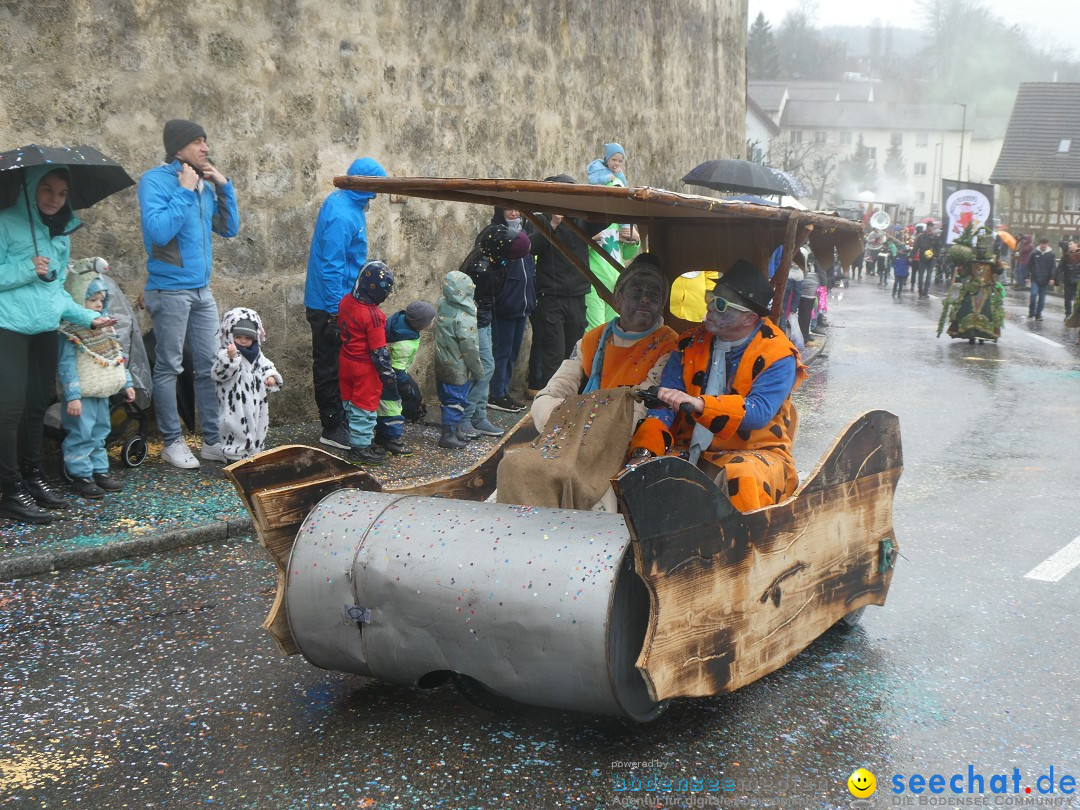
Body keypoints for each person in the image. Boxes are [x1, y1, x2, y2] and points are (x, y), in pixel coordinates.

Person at [499, 254, 679, 510]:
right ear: (618, 298)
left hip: (628, 436)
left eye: (654, 294)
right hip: (577, 431)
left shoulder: (669, 345)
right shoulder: (593, 339)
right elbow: (558, 386)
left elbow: (645, 402)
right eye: (636, 291)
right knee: (516, 465)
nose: (646, 299)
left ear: (662, 304)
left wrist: (588, 426)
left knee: (589, 480)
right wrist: (554, 415)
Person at [629, 260, 807, 513]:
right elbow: (663, 406)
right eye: (710, 297)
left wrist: (699, 404)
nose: (710, 308)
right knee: (641, 470)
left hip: (757, 452)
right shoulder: (690, 343)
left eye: (721, 305)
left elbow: (758, 412)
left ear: (749, 318)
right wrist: (644, 450)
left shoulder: (779, 355)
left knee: (741, 475)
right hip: (688, 448)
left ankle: (744, 549)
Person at [0, 167, 114, 523]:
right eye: (47, 190)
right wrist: (26, 266)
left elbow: (56, 294)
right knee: (9, 410)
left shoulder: (61, 235)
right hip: (9, 327)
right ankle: (10, 488)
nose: (54, 198)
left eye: (62, 193)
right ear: (31, 190)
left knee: (36, 406)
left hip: (44, 328)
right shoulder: (5, 222)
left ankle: (34, 477)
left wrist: (86, 317)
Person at [138, 118, 239, 469]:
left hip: (201, 291)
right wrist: (183, 190)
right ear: (178, 147)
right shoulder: (155, 181)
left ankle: (212, 441)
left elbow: (229, 229)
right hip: (168, 291)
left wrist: (223, 187)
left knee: (211, 365)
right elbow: (159, 231)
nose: (206, 148)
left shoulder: (205, 186)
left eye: (205, 140)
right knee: (169, 366)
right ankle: (172, 442)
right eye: (198, 141)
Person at [304, 156, 387, 451]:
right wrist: (332, 313)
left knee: (342, 364)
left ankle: (343, 421)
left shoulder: (349, 204)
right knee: (328, 365)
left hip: (340, 301)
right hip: (330, 304)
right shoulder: (343, 213)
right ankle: (331, 426)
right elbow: (331, 266)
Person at [56, 258, 136, 499]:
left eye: (101, 300)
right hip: (82, 394)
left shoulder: (104, 327)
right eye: (92, 299)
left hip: (102, 392)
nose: (98, 304)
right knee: (81, 434)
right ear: (78, 298)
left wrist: (127, 382)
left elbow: (116, 355)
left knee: (100, 431)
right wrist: (72, 396)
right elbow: (66, 365)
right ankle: (80, 474)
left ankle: (99, 471)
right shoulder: (70, 331)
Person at [525, 174, 606, 395]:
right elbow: (531, 247)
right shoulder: (541, 219)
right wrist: (553, 224)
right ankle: (552, 400)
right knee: (554, 353)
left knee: (575, 353)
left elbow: (606, 215)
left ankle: (572, 400)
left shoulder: (580, 219)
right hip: (551, 298)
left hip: (577, 297)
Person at [460, 222, 529, 431]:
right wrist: (481, 323)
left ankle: (478, 416)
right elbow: (475, 299)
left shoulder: (494, 259)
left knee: (484, 368)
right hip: (475, 321)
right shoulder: (482, 268)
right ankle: (466, 417)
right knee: (485, 367)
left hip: (484, 318)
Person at [338, 260, 396, 465]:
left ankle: (358, 440)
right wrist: (388, 375)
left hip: (346, 360)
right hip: (365, 368)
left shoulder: (346, 301)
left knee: (351, 404)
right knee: (364, 408)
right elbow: (378, 351)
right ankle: (360, 448)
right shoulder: (373, 316)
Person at [210, 307, 282, 461]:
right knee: (234, 427)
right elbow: (218, 374)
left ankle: (253, 454)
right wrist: (231, 359)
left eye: (247, 337)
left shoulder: (257, 354)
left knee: (257, 426)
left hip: (257, 401)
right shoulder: (225, 353)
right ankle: (233, 456)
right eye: (238, 336)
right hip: (234, 402)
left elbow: (267, 366)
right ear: (230, 335)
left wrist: (271, 377)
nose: (243, 341)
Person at [489, 207, 536, 413]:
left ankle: (503, 391)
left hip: (521, 304)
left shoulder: (523, 235)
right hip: (505, 304)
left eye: (517, 210)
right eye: (509, 210)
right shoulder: (495, 235)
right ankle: (496, 394)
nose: (514, 214)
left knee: (512, 352)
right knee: (502, 351)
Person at [374, 300, 435, 456]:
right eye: (430, 320)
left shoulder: (400, 322)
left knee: (384, 407)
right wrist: (406, 389)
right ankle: (391, 440)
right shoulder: (404, 343)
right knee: (391, 408)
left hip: (384, 371)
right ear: (420, 324)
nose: (433, 322)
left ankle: (381, 436)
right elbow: (397, 369)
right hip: (390, 376)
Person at [434, 270, 485, 450]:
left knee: (447, 398)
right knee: (456, 401)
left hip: (442, 361)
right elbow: (470, 348)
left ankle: (454, 431)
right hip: (458, 366)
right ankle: (448, 435)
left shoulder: (443, 304)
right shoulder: (464, 318)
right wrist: (478, 370)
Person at [1027, 237, 1057, 320]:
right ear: (1040, 243)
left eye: (1045, 243)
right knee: (1033, 295)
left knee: (1042, 298)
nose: (1043, 245)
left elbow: (1053, 267)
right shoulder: (1034, 253)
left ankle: (1038, 314)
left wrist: (1052, 278)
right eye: (1042, 243)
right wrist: (1028, 276)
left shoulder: (1051, 255)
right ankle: (1031, 313)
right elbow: (1030, 265)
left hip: (1045, 279)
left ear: (1048, 244)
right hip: (1035, 278)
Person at [1058, 238, 1080, 320]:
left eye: (1071, 244)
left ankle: (1076, 316)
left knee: (1077, 300)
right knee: (1067, 299)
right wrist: (1059, 277)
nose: (1069, 246)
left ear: (1076, 244)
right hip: (1068, 280)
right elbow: (1061, 267)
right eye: (1069, 244)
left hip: (1078, 280)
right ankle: (1068, 314)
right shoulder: (1066, 255)